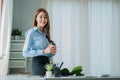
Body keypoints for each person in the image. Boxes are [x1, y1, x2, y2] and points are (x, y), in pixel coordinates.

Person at [22, 8, 57, 76]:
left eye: (45, 17)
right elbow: (25, 52)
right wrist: (44, 51)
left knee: (60, 73)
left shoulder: (45, 34)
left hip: (47, 63)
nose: (43, 19)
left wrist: (52, 52)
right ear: (36, 18)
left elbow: (48, 54)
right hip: (38, 64)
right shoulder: (31, 32)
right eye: (41, 17)